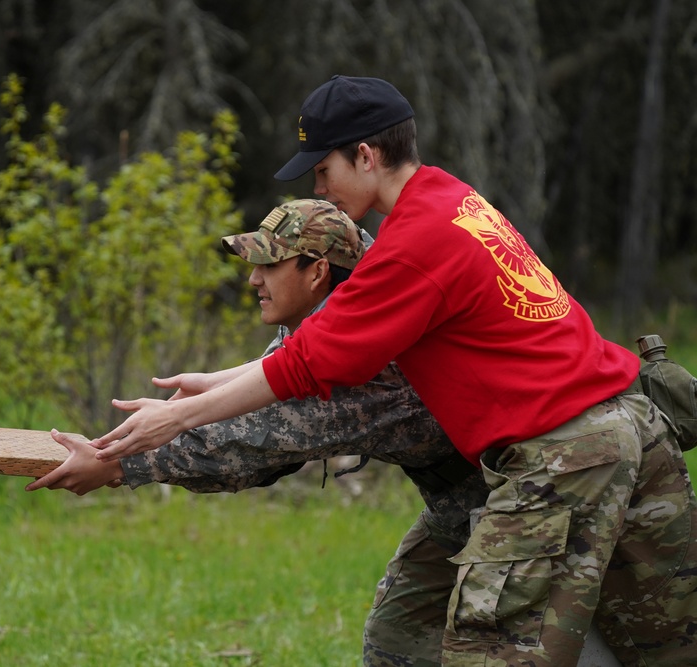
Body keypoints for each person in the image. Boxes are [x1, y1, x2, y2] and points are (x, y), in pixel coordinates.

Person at [88, 76, 697, 666]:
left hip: (566, 455)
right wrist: (210, 383)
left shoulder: (413, 243)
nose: (321, 187)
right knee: (669, 649)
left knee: (498, 654)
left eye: (322, 171)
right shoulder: (453, 201)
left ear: (365, 155)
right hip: (629, 427)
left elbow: (306, 368)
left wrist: (167, 426)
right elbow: (311, 350)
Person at [28, 198, 488, 665]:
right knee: (399, 636)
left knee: (501, 651)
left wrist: (115, 463)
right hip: (463, 503)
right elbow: (273, 370)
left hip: (520, 499)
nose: (253, 279)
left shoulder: (355, 361)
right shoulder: (340, 301)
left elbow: (251, 442)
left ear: (317, 273)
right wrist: (209, 389)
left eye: (270, 264)